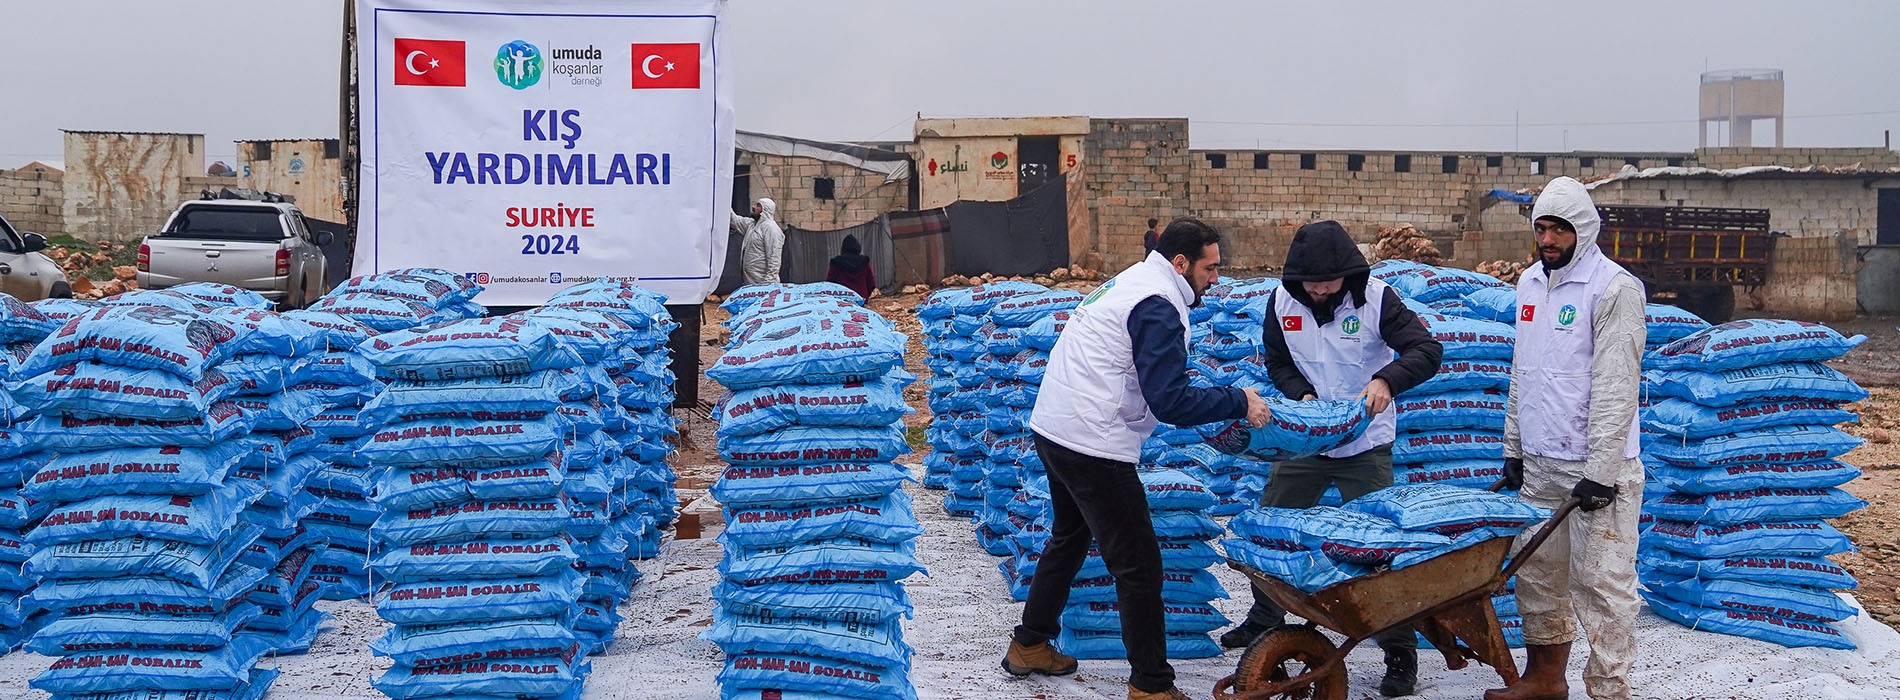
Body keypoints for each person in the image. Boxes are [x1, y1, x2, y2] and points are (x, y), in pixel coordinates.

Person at [1003, 217, 1272, 700]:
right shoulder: (1158, 305)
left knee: (1069, 537)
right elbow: (1171, 401)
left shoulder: (1135, 280)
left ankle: (1030, 644)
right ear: (1181, 263)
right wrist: (1237, 400)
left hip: (1055, 426)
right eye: (1210, 269)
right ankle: (1151, 685)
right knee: (1140, 568)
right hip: (1092, 443)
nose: (1216, 279)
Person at [1219, 220, 1442, 698]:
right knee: (1272, 528)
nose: (1319, 290)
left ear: (1349, 273)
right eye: (1311, 283)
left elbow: (1426, 349)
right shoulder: (1282, 303)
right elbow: (1278, 362)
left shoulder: (1378, 300)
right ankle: (1264, 617)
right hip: (1305, 442)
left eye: (1329, 282)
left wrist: (1387, 380)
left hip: (1365, 445)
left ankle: (1399, 649)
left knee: (1382, 548)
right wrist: (1300, 394)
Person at [1487, 177, 1645, 700]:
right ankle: (1545, 679)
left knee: (1601, 583)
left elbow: (1617, 386)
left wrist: (1601, 472)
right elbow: (1522, 372)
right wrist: (1513, 448)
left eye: (1560, 230)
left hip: (1594, 469)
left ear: (1584, 230)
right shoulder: (1530, 282)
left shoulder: (1613, 288)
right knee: (1537, 575)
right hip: (1541, 462)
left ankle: (1608, 689)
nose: (1548, 240)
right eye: (1542, 229)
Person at [729, 197, 784, 286]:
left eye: (758, 206)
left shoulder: (771, 229)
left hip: (764, 284)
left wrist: (767, 284)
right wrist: (725, 202)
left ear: (765, 209)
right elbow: (734, 220)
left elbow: (774, 259)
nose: (753, 207)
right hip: (750, 282)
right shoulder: (752, 225)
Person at [825, 234, 875, 300]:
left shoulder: (836, 263)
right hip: (860, 297)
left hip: (842, 297)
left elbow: (830, 282)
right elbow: (870, 283)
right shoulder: (864, 263)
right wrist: (866, 294)